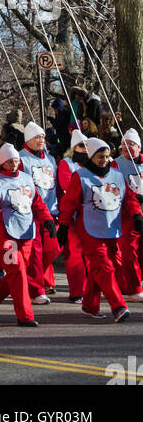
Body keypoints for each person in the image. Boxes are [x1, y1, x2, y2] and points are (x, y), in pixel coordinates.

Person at [57, 136, 143, 322]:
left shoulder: (117, 175)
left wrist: (137, 215)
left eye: (106, 156)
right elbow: (69, 203)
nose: (104, 160)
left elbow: (129, 199)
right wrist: (63, 225)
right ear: (91, 157)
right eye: (100, 157)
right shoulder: (81, 176)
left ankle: (89, 305)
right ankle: (118, 306)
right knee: (104, 267)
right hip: (89, 228)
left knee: (108, 266)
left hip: (112, 228)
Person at [0, 144, 56, 327]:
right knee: (17, 270)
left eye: (16, 160)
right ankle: (25, 316)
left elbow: (37, 203)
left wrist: (47, 220)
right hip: (4, 233)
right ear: (1, 162)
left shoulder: (26, 178)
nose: (13, 164)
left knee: (19, 271)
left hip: (26, 232)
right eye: (9, 161)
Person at [18, 121, 61, 304]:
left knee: (52, 248)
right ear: (28, 140)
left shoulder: (50, 159)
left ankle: (39, 279)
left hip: (51, 210)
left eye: (43, 136)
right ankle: (36, 289)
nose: (41, 140)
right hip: (31, 211)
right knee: (35, 252)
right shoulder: (21, 159)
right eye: (37, 137)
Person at [56, 129, 90, 301]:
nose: (85, 149)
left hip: (90, 215)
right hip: (73, 215)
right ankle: (77, 291)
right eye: (81, 146)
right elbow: (67, 186)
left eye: (86, 146)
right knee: (75, 255)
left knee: (90, 256)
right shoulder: (66, 164)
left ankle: (91, 290)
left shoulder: (91, 164)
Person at [115, 129, 143, 301]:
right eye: (124, 144)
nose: (127, 147)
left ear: (138, 147)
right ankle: (132, 287)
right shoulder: (116, 164)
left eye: (131, 144)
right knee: (129, 251)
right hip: (126, 214)